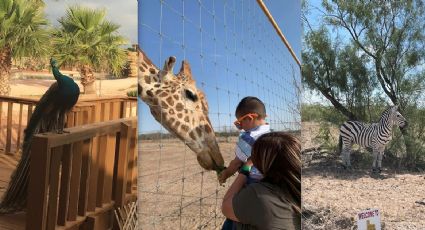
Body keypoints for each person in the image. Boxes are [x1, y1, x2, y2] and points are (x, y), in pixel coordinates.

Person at [221, 132, 302, 229]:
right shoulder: (297, 187)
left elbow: (226, 207)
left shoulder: (259, 194)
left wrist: (245, 170)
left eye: (255, 156)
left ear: (266, 161)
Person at [218, 96, 270, 185]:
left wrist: (225, 174)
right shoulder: (273, 135)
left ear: (250, 118)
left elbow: (236, 164)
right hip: (272, 181)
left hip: (255, 184)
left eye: (239, 123)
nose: (240, 127)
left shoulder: (248, 138)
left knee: (232, 197)